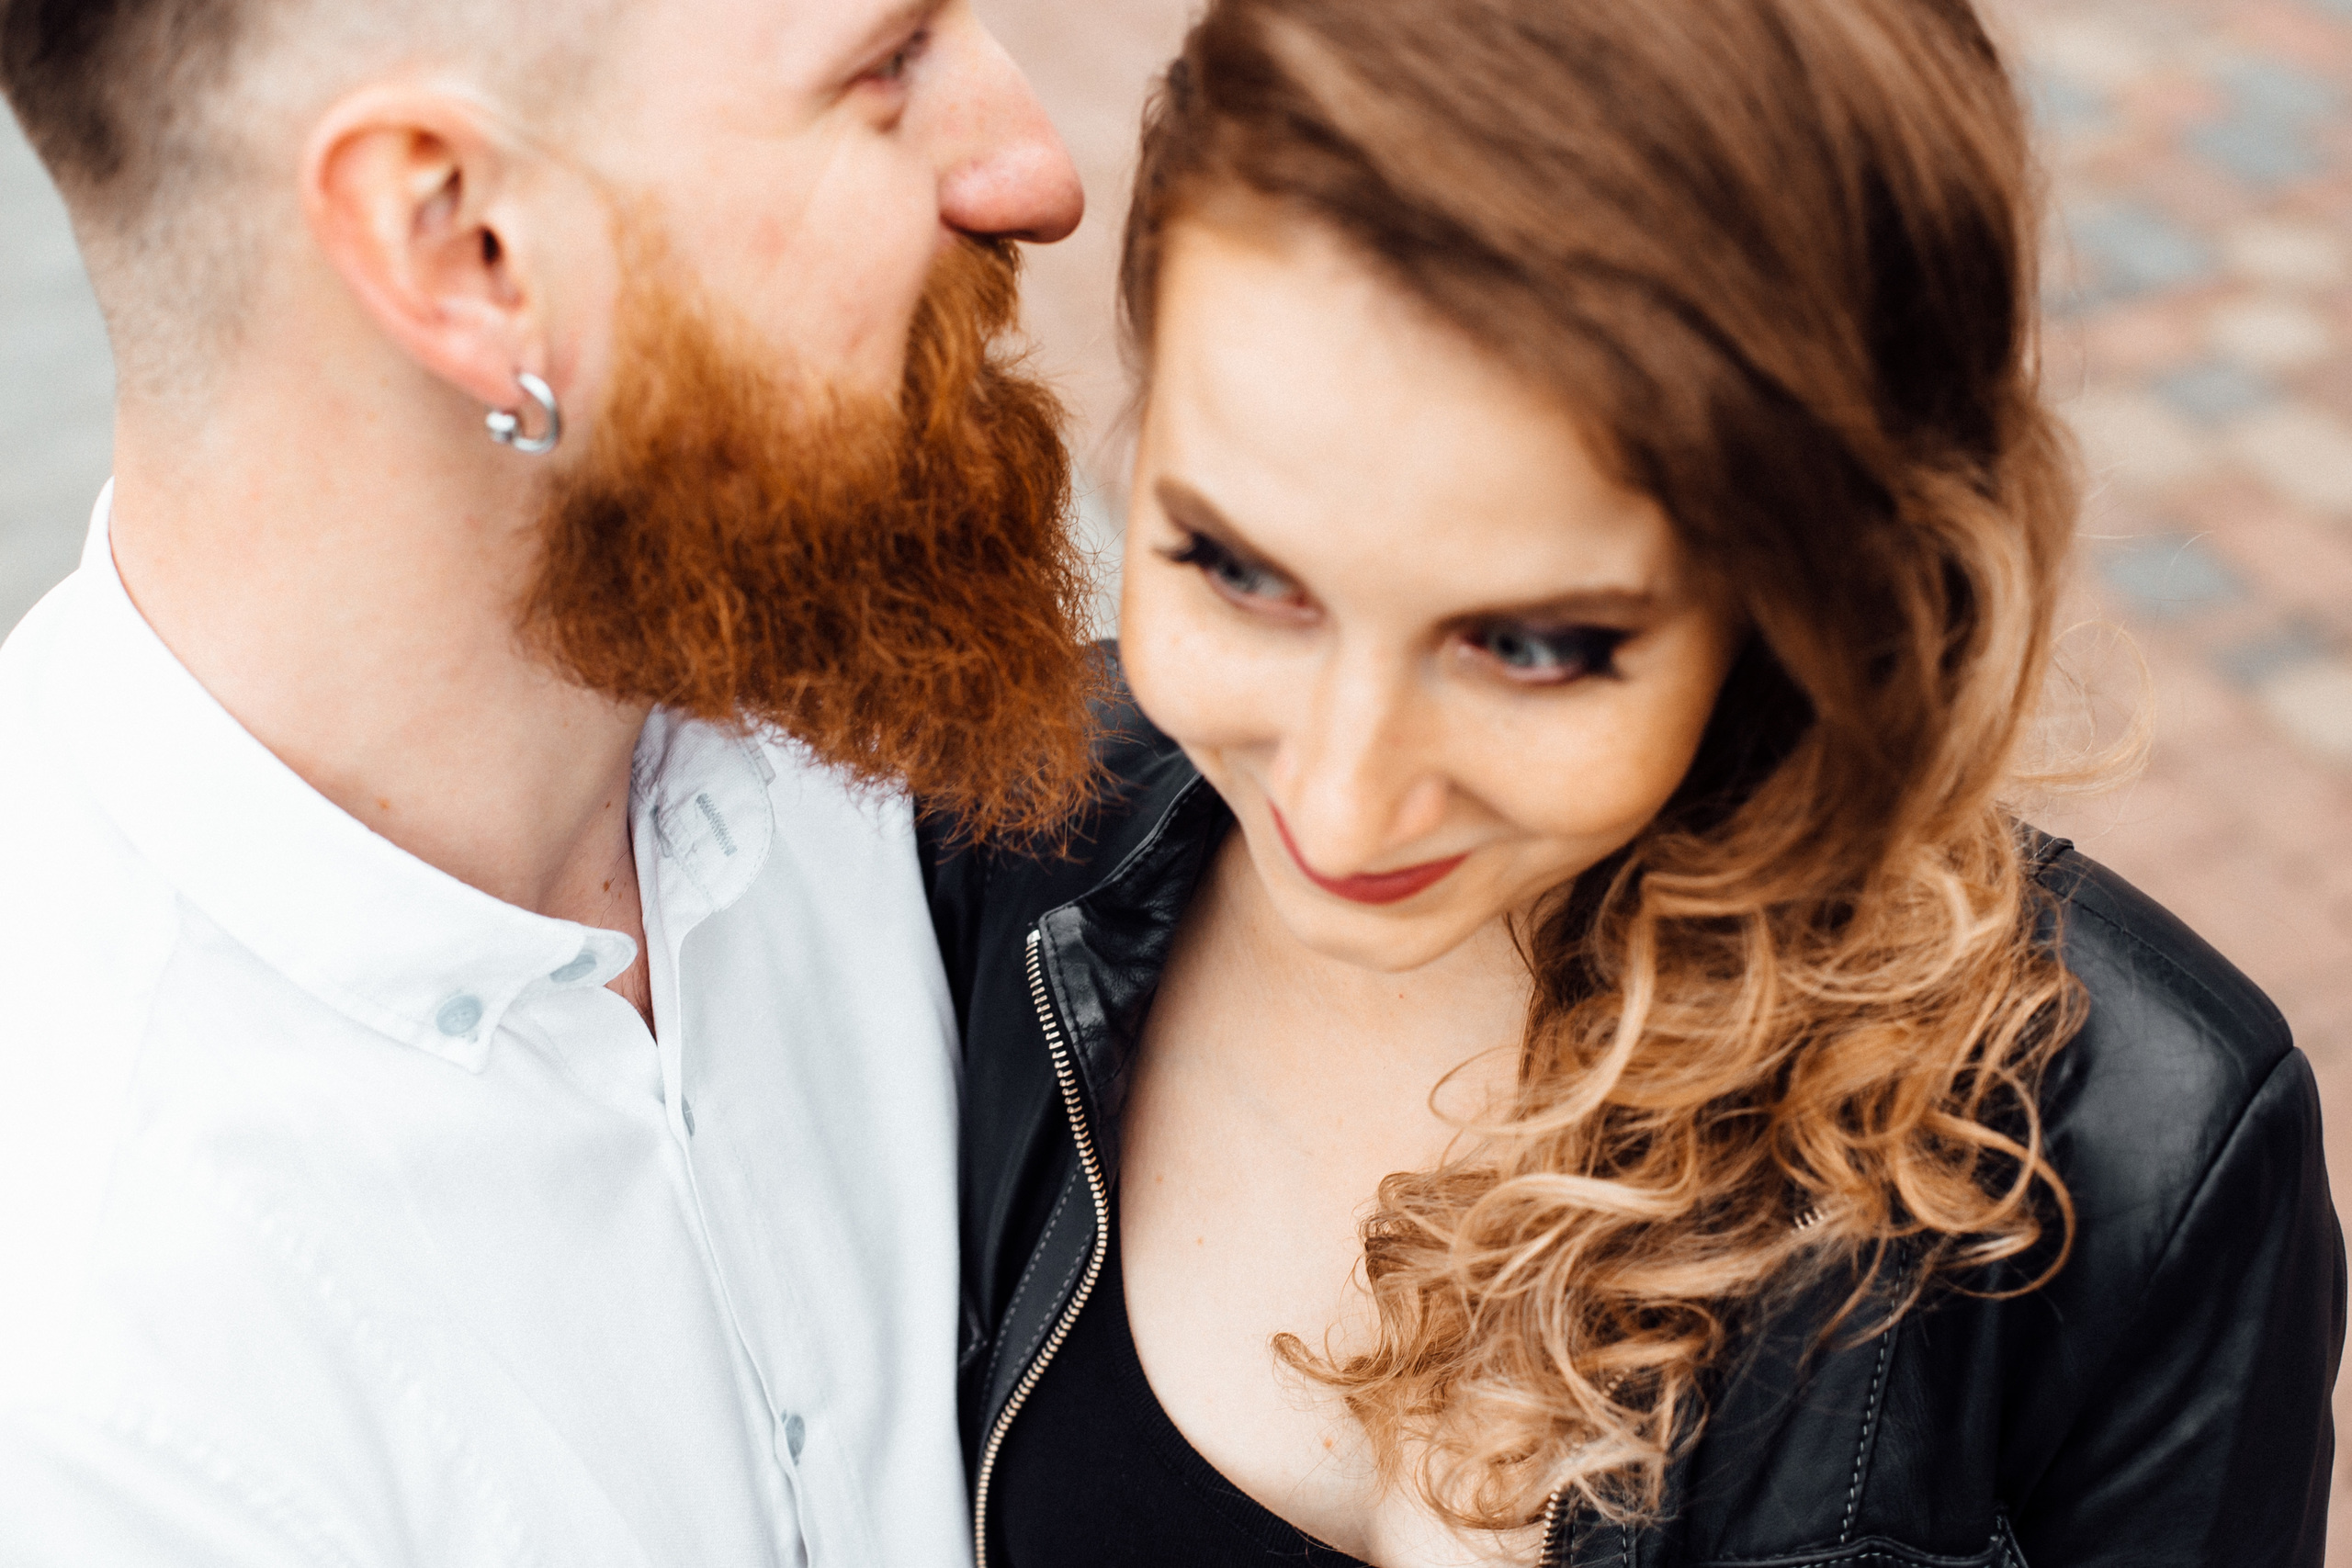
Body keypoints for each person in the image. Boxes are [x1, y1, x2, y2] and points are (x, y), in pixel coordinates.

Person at [926, 0, 2348, 1564]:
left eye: (1531, 645)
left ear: (1808, 589)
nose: (1338, 805)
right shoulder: (979, 833)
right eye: (1239, 571)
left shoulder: (2142, 1161)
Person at [0, 1, 1103, 1563]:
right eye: (886, 66)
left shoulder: (878, 686)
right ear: (468, 255)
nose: (1030, 171)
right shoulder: (94, 1397)